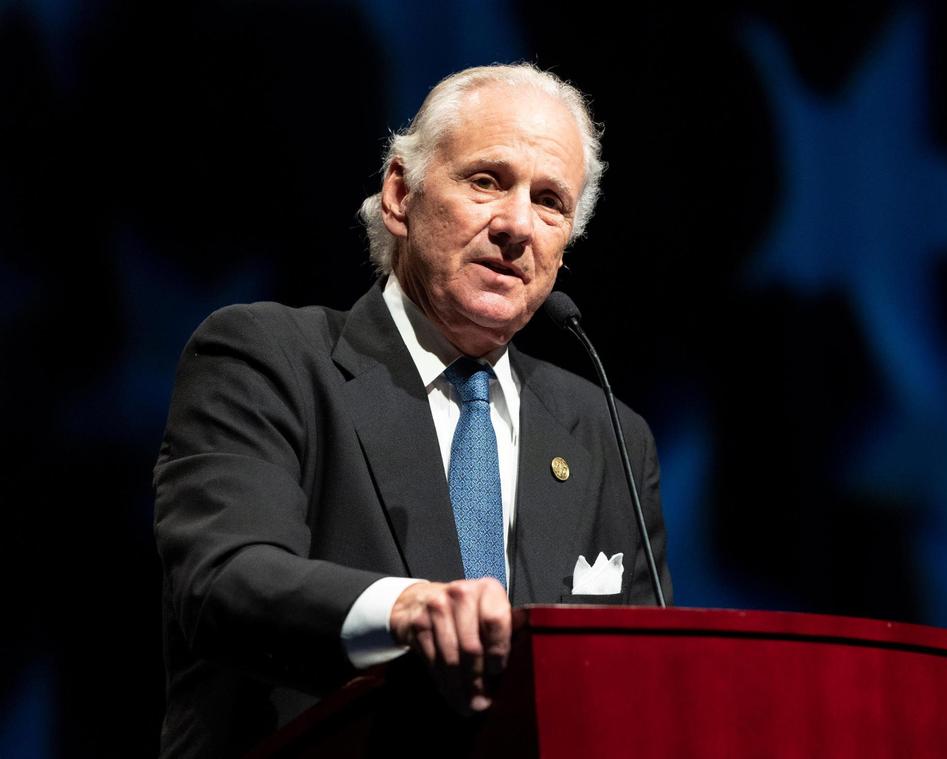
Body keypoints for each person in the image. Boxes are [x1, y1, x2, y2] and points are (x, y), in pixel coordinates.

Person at [153, 63, 671, 757]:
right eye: (487, 180)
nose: (517, 224)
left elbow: (649, 681)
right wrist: (406, 608)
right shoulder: (270, 357)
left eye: (550, 201)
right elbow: (222, 579)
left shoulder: (609, 432)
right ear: (400, 194)